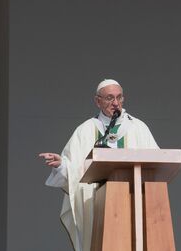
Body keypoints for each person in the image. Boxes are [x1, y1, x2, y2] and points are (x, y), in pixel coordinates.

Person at [39, 79, 159, 251]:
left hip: (133, 203)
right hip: (97, 206)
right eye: (109, 98)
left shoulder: (138, 128)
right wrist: (61, 165)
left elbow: (156, 163)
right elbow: (75, 169)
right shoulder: (85, 131)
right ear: (98, 101)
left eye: (119, 97)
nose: (115, 103)